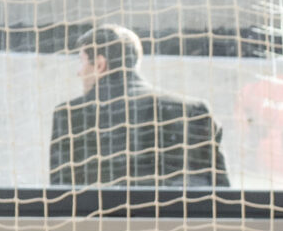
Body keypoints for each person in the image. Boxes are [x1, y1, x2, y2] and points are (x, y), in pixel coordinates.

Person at [47, 23, 227, 189]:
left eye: (82, 62)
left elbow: (62, 194)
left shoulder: (72, 114)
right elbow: (221, 191)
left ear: (100, 64)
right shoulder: (194, 111)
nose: (79, 72)